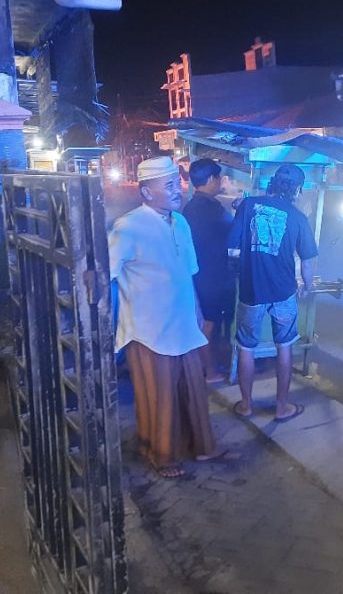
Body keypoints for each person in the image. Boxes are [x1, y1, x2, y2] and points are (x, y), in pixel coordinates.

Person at [109, 156, 222, 479]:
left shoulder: (180, 223)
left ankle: (203, 447)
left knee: (193, 389)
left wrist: (198, 311)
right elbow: (106, 273)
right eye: (170, 185)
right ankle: (159, 455)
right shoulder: (128, 227)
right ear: (147, 192)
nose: (178, 190)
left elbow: (188, 273)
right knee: (158, 394)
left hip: (183, 323)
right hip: (149, 329)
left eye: (179, 183)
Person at [228, 164, 318, 422]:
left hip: (250, 291)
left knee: (246, 347)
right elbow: (308, 261)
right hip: (284, 292)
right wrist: (308, 286)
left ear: (273, 183)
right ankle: (282, 407)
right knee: (285, 346)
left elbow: (232, 249)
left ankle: (246, 406)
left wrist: (241, 274)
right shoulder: (299, 217)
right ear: (298, 190)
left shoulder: (247, 206)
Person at [183, 158, 236, 382]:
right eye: (219, 179)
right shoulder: (210, 208)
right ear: (211, 180)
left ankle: (209, 365)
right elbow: (233, 232)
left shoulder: (191, 207)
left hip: (200, 275)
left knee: (208, 323)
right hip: (212, 278)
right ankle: (209, 371)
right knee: (208, 325)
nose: (220, 184)